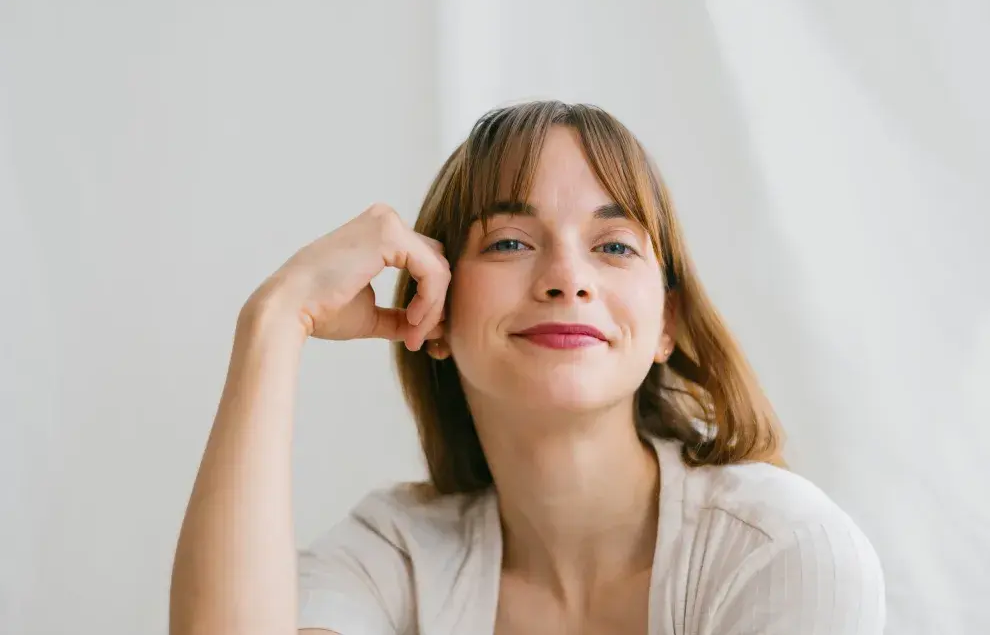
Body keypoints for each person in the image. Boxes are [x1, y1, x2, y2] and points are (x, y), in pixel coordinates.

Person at [169, 101, 885, 635]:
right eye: (510, 243)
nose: (567, 278)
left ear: (666, 324)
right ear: (435, 311)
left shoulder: (782, 551)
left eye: (614, 246)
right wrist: (274, 320)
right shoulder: (397, 556)